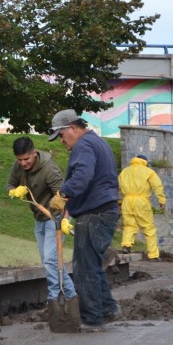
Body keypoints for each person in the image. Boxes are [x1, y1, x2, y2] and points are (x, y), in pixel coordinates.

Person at [48, 109, 122, 332]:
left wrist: (62, 194)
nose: (61, 141)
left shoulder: (84, 146)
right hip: (103, 210)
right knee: (92, 265)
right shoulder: (96, 142)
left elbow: (82, 177)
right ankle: (108, 309)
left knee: (84, 269)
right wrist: (69, 209)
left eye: (61, 135)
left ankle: (92, 319)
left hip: (95, 214)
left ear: (72, 127)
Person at [6, 137, 77, 304]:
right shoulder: (18, 167)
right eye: (19, 160)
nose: (23, 163)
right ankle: (71, 296)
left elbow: (66, 197)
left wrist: (65, 221)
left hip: (57, 217)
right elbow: (9, 184)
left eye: (26, 159)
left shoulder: (49, 169)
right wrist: (14, 191)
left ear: (34, 153)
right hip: (39, 217)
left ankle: (54, 298)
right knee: (49, 262)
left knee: (50, 260)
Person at [119, 154, 166, 262]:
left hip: (127, 200)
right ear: (145, 162)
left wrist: (120, 201)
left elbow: (119, 187)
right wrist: (161, 200)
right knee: (148, 228)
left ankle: (126, 245)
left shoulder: (124, 171)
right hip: (141, 201)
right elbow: (157, 186)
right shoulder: (148, 171)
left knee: (129, 225)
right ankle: (153, 255)